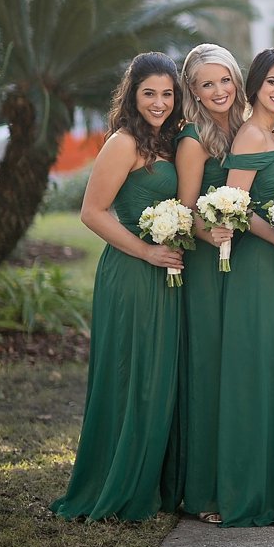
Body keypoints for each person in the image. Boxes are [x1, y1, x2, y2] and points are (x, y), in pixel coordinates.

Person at [51, 53, 184, 521]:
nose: (159, 102)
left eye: (167, 93)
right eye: (149, 93)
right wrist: (146, 252)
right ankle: (115, 482)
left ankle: (151, 478)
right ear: (132, 95)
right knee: (131, 377)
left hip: (167, 273)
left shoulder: (169, 141)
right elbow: (92, 212)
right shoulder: (124, 142)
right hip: (131, 273)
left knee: (158, 379)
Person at [215, 49, 274, 527]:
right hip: (258, 265)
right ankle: (248, 489)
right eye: (272, 82)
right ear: (253, 85)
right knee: (257, 369)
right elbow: (234, 205)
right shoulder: (252, 134)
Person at [172, 44, 247, 522]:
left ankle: (244, 475)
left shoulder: (250, 128)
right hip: (208, 265)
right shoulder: (192, 140)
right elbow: (186, 209)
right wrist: (209, 229)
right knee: (210, 371)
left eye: (225, 80)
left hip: (248, 263)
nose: (218, 91)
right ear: (194, 92)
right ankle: (204, 493)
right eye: (207, 84)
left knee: (240, 371)